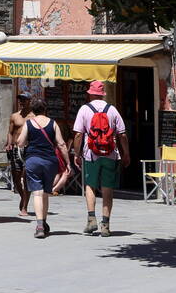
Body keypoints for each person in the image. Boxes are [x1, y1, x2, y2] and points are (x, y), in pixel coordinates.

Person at [72, 81, 129, 237]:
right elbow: (122, 134)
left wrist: (77, 154)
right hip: (110, 154)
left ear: (90, 93)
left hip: (91, 154)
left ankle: (91, 220)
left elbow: (78, 134)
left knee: (90, 185)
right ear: (103, 94)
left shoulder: (84, 109)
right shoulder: (112, 110)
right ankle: (105, 224)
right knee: (107, 188)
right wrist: (126, 154)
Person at [16, 98, 71, 238]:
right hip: (50, 162)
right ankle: (44, 222)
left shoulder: (29, 123)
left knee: (37, 193)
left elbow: (20, 143)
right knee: (45, 193)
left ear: (33, 110)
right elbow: (62, 144)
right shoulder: (53, 124)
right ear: (45, 109)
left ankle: (40, 225)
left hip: (33, 160)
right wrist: (67, 162)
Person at [6, 91, 32, 215]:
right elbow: (10, 132)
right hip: (16, 150)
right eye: (20, 99)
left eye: (24, 99)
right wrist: (9, 144)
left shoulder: (34, 117)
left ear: (29, 101)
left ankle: (25, 207)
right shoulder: (14, 116)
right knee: (16, 179)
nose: (21, 102)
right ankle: (23, 197)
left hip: (29, 149)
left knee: (26, 178)